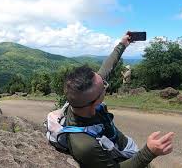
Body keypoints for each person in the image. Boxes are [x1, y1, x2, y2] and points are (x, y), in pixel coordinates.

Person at [63, 32, 175, 168]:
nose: (105, 83)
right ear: (94, 103)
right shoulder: (85, 145)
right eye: (103, 86)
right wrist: (149, 152)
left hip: (120, 144)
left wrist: (122, 44)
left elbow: (107, 68)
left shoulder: (79, 99)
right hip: (120, 156)